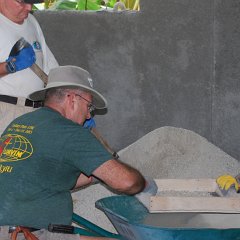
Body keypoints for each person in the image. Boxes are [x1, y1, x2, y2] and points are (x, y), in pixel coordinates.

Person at [0, 65, 156, 240]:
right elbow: (126, 182)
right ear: (72, 99)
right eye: (89, 107)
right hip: (26, 234)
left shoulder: (21, 123)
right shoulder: (68, 131)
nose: (89, 116)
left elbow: (49, 178)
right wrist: (144, 185)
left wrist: (99, 173)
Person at [0, 0, 59, 135]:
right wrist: (9, 67)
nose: (29, 7)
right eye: (22, 2)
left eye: (32, 2)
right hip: (5, 110)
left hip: (36, 112)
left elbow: (51, 69)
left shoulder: (32, 22)